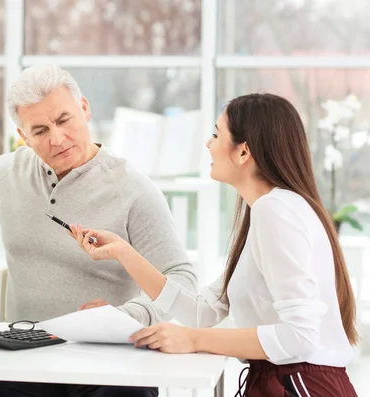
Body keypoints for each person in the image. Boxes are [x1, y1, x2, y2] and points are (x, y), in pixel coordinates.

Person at [69, 93, 358, 396]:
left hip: (299, 385)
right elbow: (201, 312)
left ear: (243, 152)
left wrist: (194, 339)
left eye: (217, 134)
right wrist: (123, 253)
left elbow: (300, 337)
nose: (209, 143)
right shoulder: (269, 210)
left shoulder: (275, 211)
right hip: (285, 381)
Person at [0, 64, 197, 397]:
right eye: (39, 130)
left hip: (111, 358)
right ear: (24, 137)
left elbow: (182, 278)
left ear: (84, 109)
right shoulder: (4, 175)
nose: (57, 138)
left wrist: (129, 314)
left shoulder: (133, 190)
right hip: (23, 357)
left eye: (64, 120)